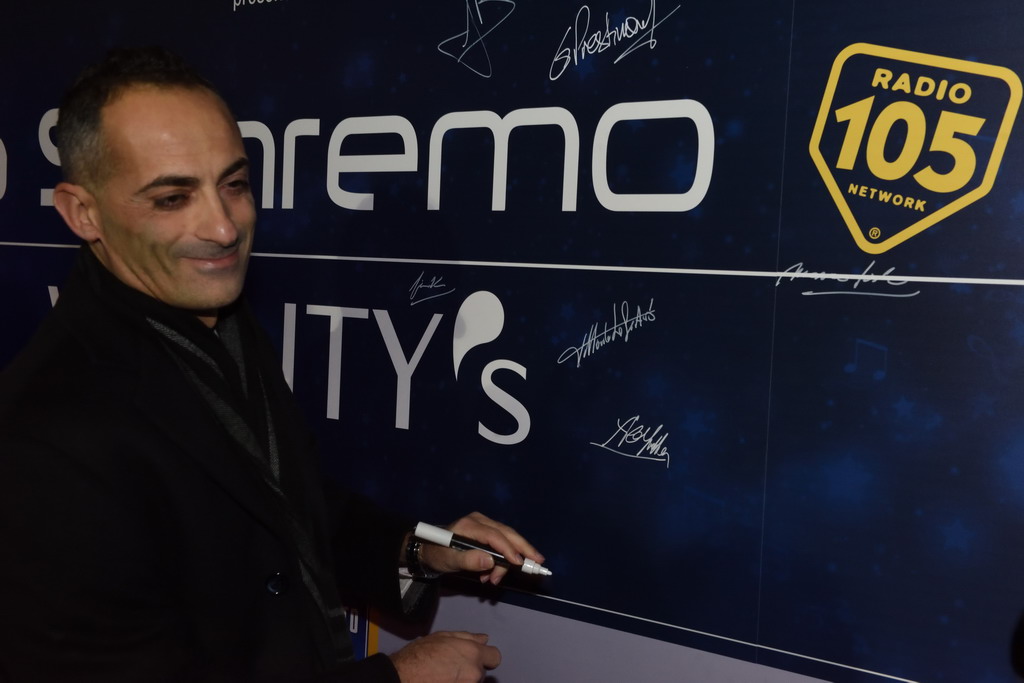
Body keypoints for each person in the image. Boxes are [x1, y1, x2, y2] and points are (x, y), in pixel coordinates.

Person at [0, 47, 544, 683]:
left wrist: (420, 548)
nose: (224, 227)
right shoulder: (44, 438)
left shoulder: (216, 318)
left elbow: (283, 512)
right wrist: (397, 679)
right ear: (83, 213)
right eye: (173, 198)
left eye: (234, 184)